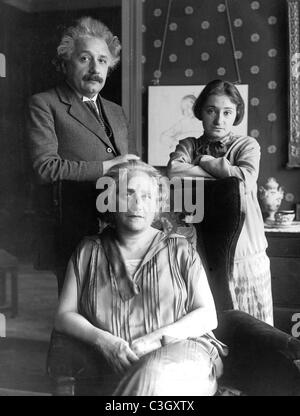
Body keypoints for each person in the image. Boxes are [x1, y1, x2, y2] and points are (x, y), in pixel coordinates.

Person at [54, 160, 227, 396]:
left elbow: (207, 315)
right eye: (129, 194)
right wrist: (105, 342)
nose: (138, 204)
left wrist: (153, 341)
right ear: (111, 200)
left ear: (157, 204)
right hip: (115, 361)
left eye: (147, 196)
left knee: (153, 378)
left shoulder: (179, 249)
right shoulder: (89, 251)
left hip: (181, 354)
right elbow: (64, 316)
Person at [26, 16, 138, 292]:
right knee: (77, 305)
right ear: (66, 62)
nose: (94, 68)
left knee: (115, 304)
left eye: (102, 60)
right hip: (72, 225)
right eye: (84, 59)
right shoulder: (44, 104)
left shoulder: (115, 111)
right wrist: (106, 166)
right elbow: (45, 168)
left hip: (117, 224)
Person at [167, 79, 273, 326]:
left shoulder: (247, 145)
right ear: (201, 112)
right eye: (211, 110)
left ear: (236, 114)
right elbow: (174, 170)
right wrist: (224, 176)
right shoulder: (188, 145)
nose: (219, 119)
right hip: (200, 245)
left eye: (227, 112)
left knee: (252, 325)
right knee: (212, 322)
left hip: (244, 250)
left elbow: (244, 180)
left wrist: (202, 161)